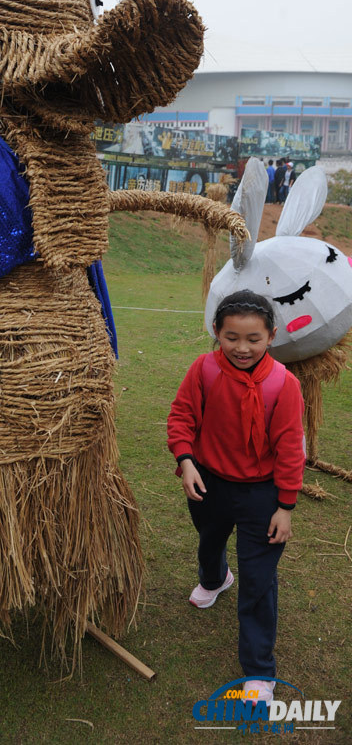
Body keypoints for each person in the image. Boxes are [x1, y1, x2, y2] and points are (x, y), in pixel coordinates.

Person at [167, 290, 305, 706]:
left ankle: (259, 671)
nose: (241, 348)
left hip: (262, 493)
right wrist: (186, 460)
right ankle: (215, 579)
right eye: (231, 337)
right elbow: (181, 415)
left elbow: (289, 448)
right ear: (216, 332)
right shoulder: (204, 370)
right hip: (208, 482)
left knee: (259, 581)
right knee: (209, 540)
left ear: (271, 336)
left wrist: (285, 505)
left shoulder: (284, 383)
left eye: (253, 339)